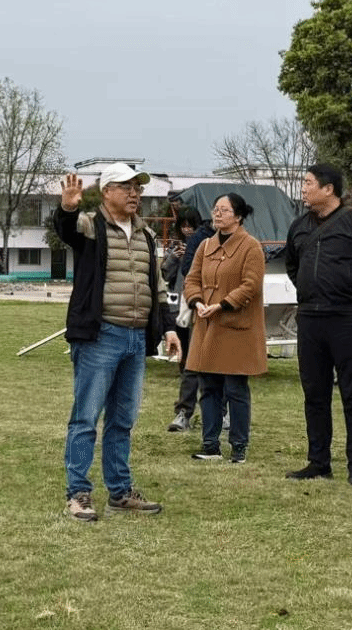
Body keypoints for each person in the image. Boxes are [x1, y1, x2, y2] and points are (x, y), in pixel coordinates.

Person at [52, 162, 181, 522]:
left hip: (136, 339)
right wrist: (67, 208)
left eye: (138, 188)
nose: (134, 194)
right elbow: (66, 231)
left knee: (122, 420)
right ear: (107, 192)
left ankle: (120, 492)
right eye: (126, 187)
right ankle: (78, 494)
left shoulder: (146, 235)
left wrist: (169, 328)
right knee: (85, 419)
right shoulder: (90, 226)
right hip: (100, 336)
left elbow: (158, 286)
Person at [284, 164, 352, 485]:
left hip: (347, 319)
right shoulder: (299, 226)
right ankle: (319, 462)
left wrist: (350, 293)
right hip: (310, 319)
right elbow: (292, 266)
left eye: (308, 183)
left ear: (328, 189)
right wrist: (310, 291)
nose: (303, 188)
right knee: (314, 394)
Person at [183, 193, 267, 463]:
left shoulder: (251, 247)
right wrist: (196, 301)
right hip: (207, 326)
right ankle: (210, 446)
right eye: (215, 209)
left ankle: (239, 447)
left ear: (238, 216)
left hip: (235, 327)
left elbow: (250, 285)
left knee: (235, 389)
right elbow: (191, 279)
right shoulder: (205, 245)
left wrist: (222, 305)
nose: (217, 214)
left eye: (224, 210)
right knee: (208, 388)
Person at [165, 205, 210, 432]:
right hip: (181, 307)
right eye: (182, 226)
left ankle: (219, 413)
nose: (187, 230)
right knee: (188, 361)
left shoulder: (207, 242)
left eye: (190, 226)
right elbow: (166, 274)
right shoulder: (177, 247)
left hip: (205, 307)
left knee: (208, 364)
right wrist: (175, 258)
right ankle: (184, 412)